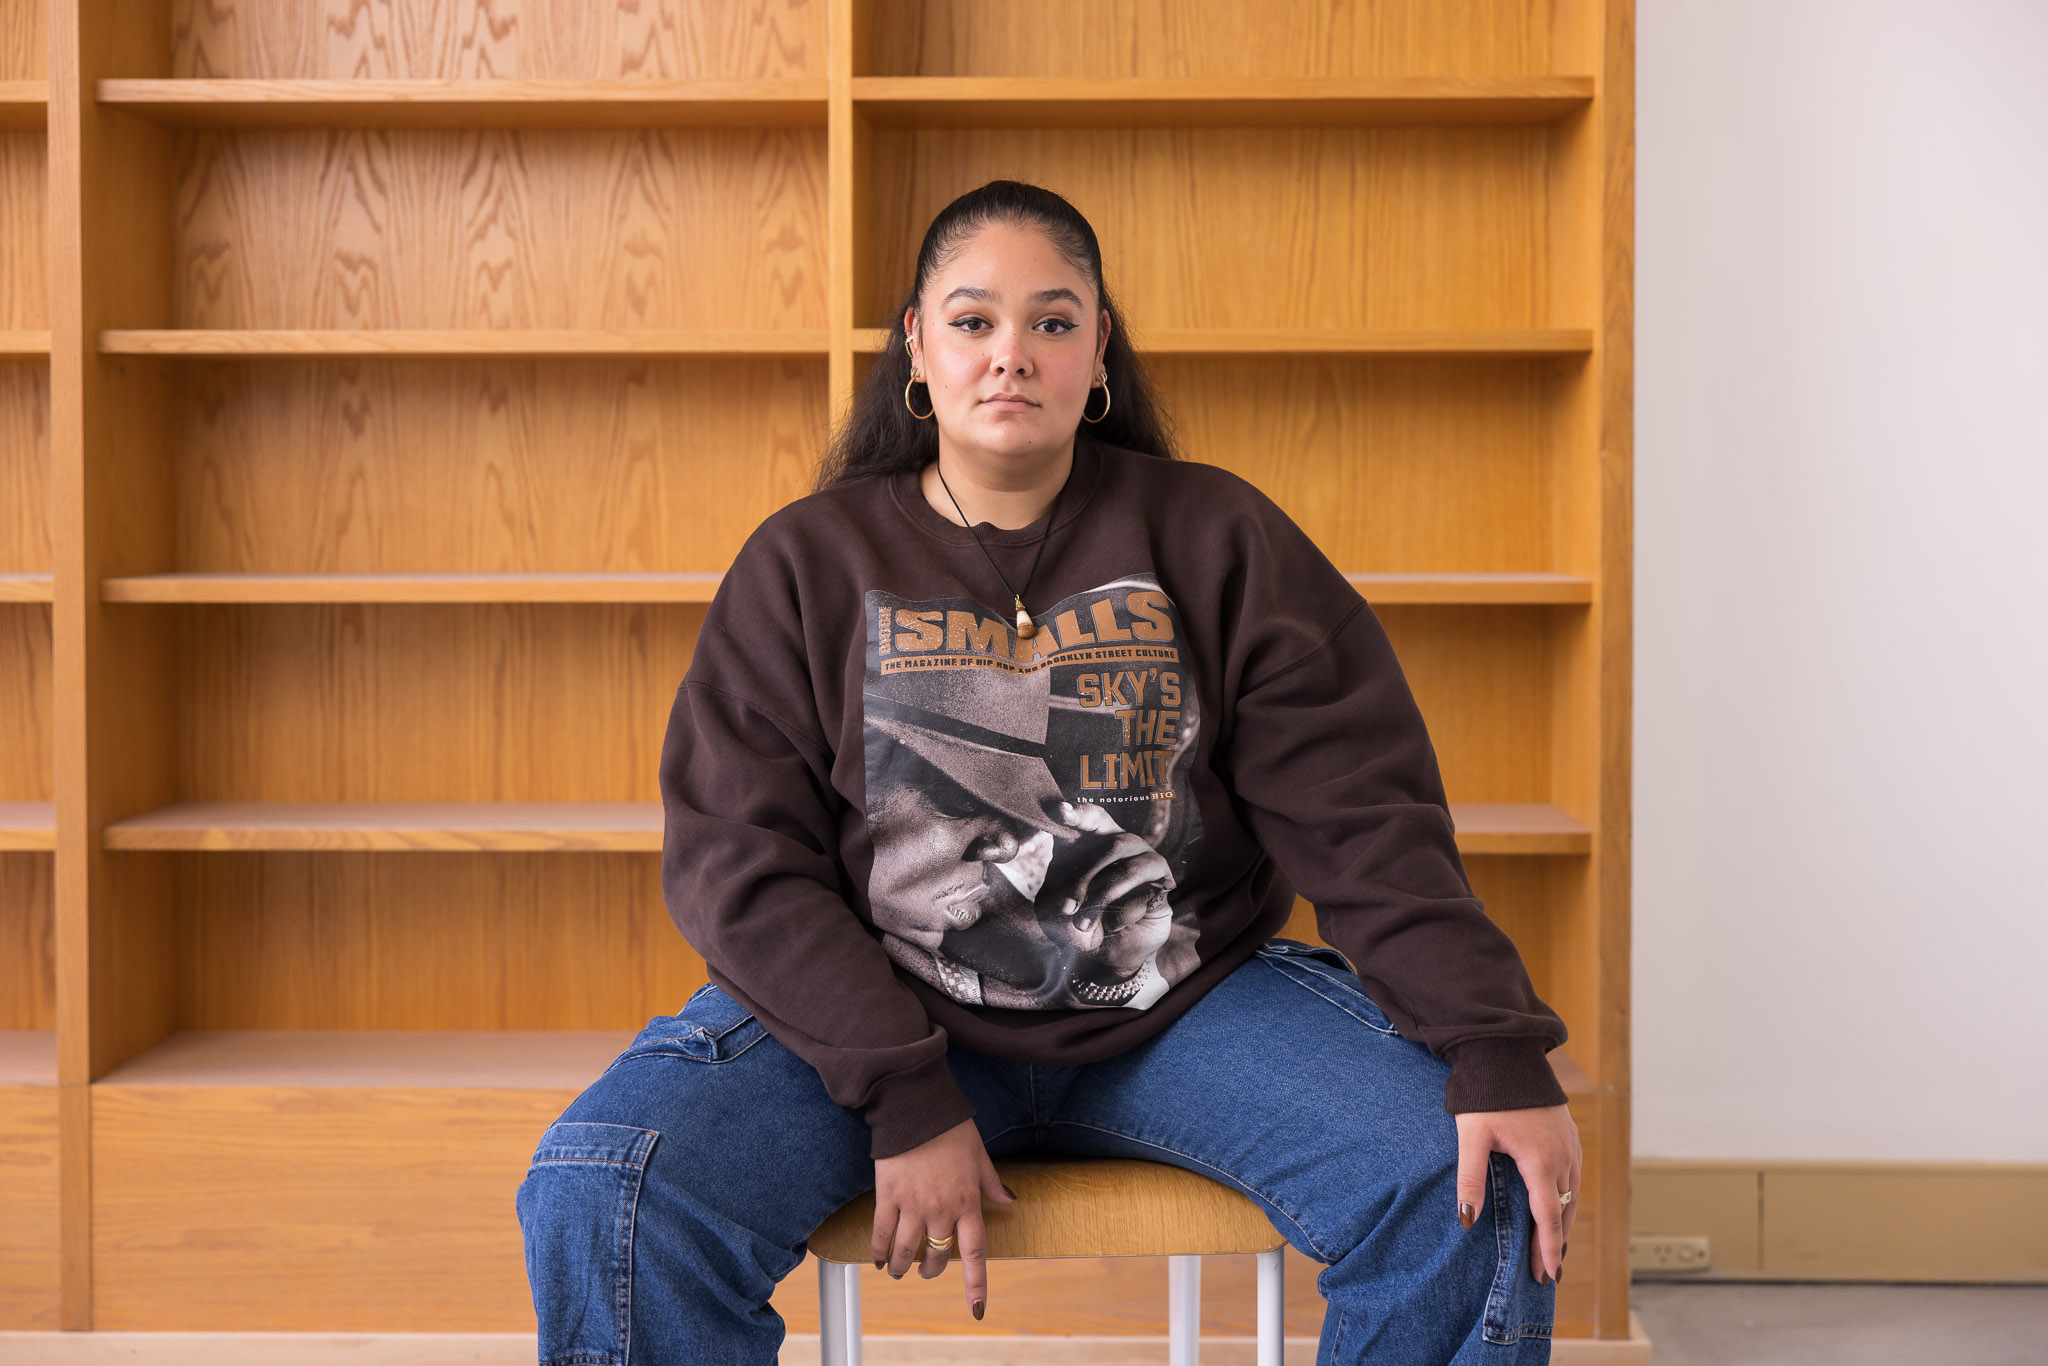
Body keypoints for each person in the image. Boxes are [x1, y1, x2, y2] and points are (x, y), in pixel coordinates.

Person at [516, 179, 1581, 1364]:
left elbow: (1363, 817)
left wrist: (1494, 1047)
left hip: (1181, 1011)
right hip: (883, 1014)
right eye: (971, 321)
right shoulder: (805, 562)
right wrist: (904, 1091)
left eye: (1052, 321)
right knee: (604, 1189)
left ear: (1098, 352)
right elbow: (739, 864)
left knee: (1464, 1179)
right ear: (914, 348)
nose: (1009, 354)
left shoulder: (1218, 537)